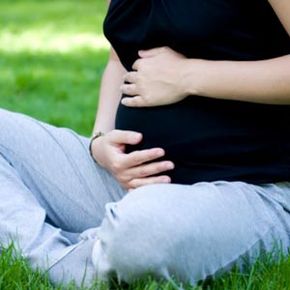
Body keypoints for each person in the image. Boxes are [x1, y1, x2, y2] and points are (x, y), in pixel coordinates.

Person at [1, 0, 290, 287]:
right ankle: (63, 261)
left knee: (141, 231)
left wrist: (187, 76)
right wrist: (100, 141)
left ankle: (105, 240)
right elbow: (119, 60)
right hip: (127, 186)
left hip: (252, 190)